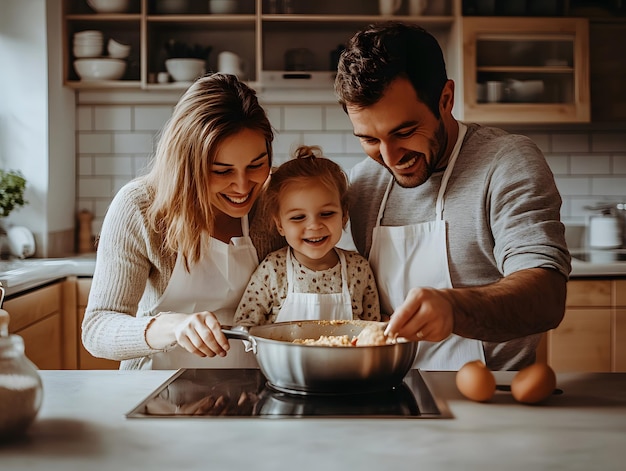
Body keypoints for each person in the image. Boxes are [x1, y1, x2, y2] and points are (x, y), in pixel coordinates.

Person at [334, 22, 571, 370]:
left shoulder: (505, 162)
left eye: (405, 131)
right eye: (369, 139)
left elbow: (547, 296)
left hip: (490, 398)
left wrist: (453, 309)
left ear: (445, 99)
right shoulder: (364, 183)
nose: (389, 156)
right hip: (393, 390)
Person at [82, 73, 284, 370]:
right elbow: (97, 328)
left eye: (256, 165)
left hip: (253, 389)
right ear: (186, 165)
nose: (243, 186)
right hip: (155, 394)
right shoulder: (140, 207)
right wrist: (171, 327)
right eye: (221, 171)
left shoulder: (273, 205)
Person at [234, 145, 381, 326]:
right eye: (298, 217)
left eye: (326, 214)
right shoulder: (272, 269)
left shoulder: (359, 269)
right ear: (280, 225)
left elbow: (374, 329)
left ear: (344, 215)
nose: (314, 226)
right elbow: (245, 324)